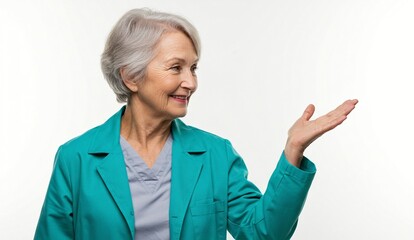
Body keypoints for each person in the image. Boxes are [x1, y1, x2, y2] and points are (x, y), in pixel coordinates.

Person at [34, 8, 358, 240]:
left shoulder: (216, 154)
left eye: (194, 68)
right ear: (131, 76)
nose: (190, 82)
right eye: (176, 68)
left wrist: (293, 150)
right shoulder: (75, 158)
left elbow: (264, 233)